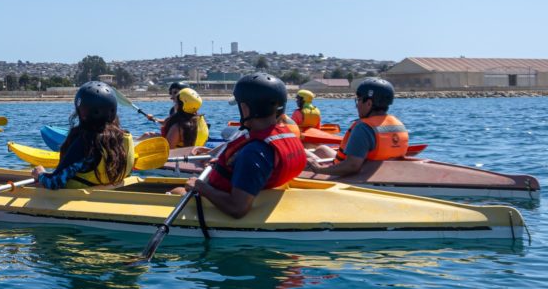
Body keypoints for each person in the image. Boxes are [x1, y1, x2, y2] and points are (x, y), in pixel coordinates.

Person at [182, 73, 306, 218]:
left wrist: (200, 187)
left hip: (229, 205)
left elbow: (237, 208)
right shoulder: (287, 135)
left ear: (246, 109)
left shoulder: (254, 153)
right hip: (263, 191)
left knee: (177, 191)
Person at [30, 81, 135, 189]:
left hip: (80, 199)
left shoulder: (86, 144)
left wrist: (41, 174)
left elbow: (54, 182)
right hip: (112, 193)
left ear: (82, 113)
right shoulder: (125, 138)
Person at [308, 77, 408, 177]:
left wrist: (319, 169)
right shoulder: (399, 125)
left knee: (304, 155)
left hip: (352, 177)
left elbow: (352, 166)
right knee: (322, 149)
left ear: (369, 103)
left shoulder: (364, 128)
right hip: (384, 172)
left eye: (359, 100)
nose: (357, 105)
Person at [142, 88, 210, 148]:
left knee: (147, 137)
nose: (174, 104)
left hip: (179, 159)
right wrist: (153, 119)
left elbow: (168, 151)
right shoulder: (203, 121)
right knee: (148, 135)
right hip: (195, 156)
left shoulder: (178, 127)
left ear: (181, 105)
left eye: (177, 102)